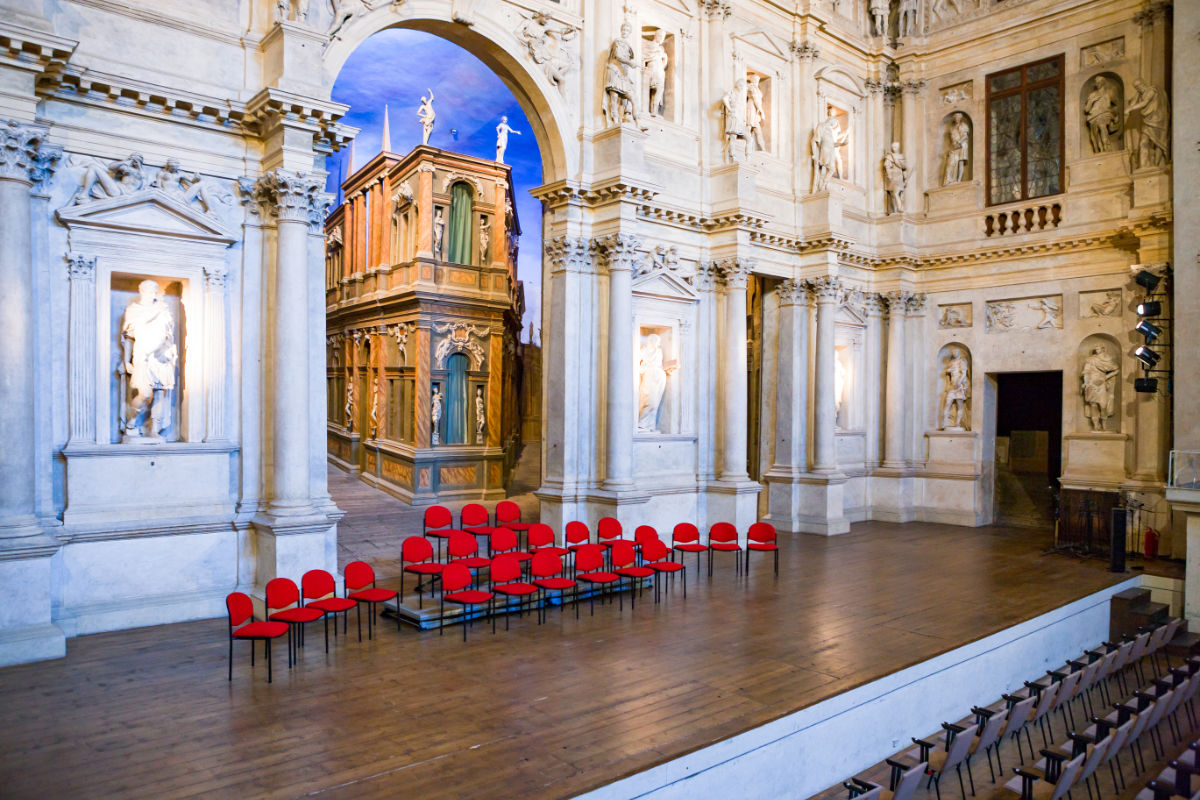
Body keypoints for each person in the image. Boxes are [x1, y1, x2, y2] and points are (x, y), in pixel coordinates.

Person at [120, 280, 178, 441]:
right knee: (144, 393)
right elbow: (128, 338)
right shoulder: (133, 310)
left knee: (159, 392)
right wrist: (126, 360)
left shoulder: (163, 309)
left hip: (161, 355)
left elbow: (169, 334)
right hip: (142, 354)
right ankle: (130, 424)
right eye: (147, 290)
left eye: (154, 290)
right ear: (141, 291)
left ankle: (154, 430)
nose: (151, 293)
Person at [603, 22, 640, 127]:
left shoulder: (628, 46)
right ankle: (615, 121)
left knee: (634, 98)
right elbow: (618, 55)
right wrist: (630, 63)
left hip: (624, 75)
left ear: (630, 32)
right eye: (623, 29)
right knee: (614, 97)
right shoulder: (617, 42)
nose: (624, 32)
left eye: (627, 30)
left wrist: (630, 65)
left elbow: (626, 60)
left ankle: (638, 123)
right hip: (614, 71)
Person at [1126, 79, 1169, 168]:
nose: (1138, 88)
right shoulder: (1140, 94)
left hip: (1157, 120)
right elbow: (1132, 103)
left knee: (1159, 143)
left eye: (1139, 85)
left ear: (1144, 83)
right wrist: (1137, 93)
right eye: (1136, 87)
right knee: (1143, 142)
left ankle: (1156, 165)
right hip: (1147, 121)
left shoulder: (1152, 90)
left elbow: (1144, 103)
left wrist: (1130, 109)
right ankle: (1143, 167)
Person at [1081, 345, 1119, 431]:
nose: (1096, 350)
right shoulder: (1090, 360)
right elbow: (1086, 372)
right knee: (1093, 405)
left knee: (1103, 405)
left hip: (1101, 384)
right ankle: (1096, 425)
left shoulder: (1107, 359)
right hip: (1091, 384)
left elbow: (1116, 370)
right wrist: (1086, 382)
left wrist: (1105, 377)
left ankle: (1104, 424)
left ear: (1103, 349)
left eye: (1098, 348)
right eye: (1096, 348)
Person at [637, 334, 668, 432]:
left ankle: (650, 426)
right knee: (650, 401)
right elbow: (637, 362)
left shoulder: (659, 351)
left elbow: (659, 365)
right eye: (657, 341)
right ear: (651, 341)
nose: (658, 343)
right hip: (649, 376)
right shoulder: (644, 350)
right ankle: (641, 424)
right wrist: (642, 368)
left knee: (656, 403)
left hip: (659, 377)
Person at [812, 107, 847, 191]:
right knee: (824, 169)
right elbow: (815, 140)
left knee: (832, 169)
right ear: (830, 120)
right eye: (834, 122)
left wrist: (842, 144)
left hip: (830, 151)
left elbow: (832, 144)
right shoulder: (821, 126)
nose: (834, 124)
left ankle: (823, 184)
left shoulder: (830, 131)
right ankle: (820, 186)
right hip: (824, 151)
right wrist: (814, 154)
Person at [1083, 76, 1119, 153]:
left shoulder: (1108, 93)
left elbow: (1116, 105)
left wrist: (1115, 115)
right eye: (1096, 82)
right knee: (1094, 135)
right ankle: (1098, 150)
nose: (1098, 83)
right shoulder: (1092, 95)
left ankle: (1107, 148)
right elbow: (1087, 109)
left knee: (1103, 128)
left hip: (1104, 114)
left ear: (1103, 82)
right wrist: (1092, 101)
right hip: (1093, 116)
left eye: (1099, 81)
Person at [940, 351, 970, 430]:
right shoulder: (952, 362)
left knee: (959, 406)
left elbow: (964, 373)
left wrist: (959, 382)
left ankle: (957, 424)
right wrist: (949, 370)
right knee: (947, 404)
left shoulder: (961, 361)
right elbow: (949, 371)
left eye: (955, 352)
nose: (954, 353)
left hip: (959, 387)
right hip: (952, 386)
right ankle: (945, 423)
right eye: (953, 352)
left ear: (958, 353)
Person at [642, 29, 669, 117]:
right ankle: (645, 109)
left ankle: (654, 110)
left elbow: (664, 61)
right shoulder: (649, 45)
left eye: (663, 37)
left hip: (659, 69)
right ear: (656, 35)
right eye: (660, 36)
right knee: (650, 89)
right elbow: (643, 56)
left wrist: (665, 59)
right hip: (651, 67)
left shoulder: (661, 49)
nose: (661, 39)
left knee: (659, 89)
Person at [943, 112, 970, 185]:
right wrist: (955, 144)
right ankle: (953, 178)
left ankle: (959, 180)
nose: (957, 119)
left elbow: (965, 136)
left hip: (962, 145)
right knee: (954, 161)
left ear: (960, 118)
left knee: (961, 162)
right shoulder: (953, 128)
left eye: (958, 118)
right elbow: (952, 138)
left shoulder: (963, 125)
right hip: (955, 146)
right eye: (955, 118)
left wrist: (960, 142)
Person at [883, 142, 910, 215]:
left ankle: (900, 208)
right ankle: (897, 209)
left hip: (899, 176)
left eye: (895, 147)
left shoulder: (901, 156)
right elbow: (887, 166)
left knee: (897, 192)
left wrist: (905, 178)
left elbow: (904, 168)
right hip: (893, 176)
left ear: (898, 147)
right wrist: (889, 175)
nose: (893, 148)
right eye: (893, 147)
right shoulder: (890, 156)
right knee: (894, 193)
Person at [746, 74, 766, 152]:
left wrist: (759, 109)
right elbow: (755, 99)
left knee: (757, 129)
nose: (757, 81)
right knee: (749, 126)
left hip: (756, 109)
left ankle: (763, 149)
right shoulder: (751, 87)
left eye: (758, 80)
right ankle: (746, 147)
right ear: (752, 80)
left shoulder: (757, 89)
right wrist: (761, 110)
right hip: (751, 107)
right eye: (755, 79)